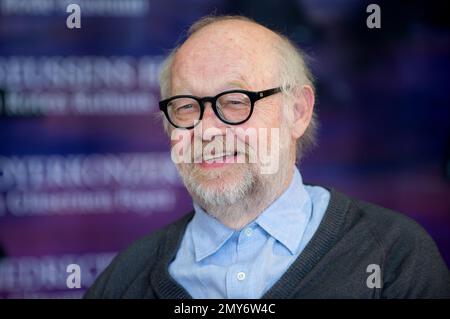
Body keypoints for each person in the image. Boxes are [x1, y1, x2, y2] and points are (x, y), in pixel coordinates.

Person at [85, 15, 450, 299]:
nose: (208, 130)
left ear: (298, 111)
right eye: (185, 107)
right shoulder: (125, 280)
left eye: (235, 102)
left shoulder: (395, 258)